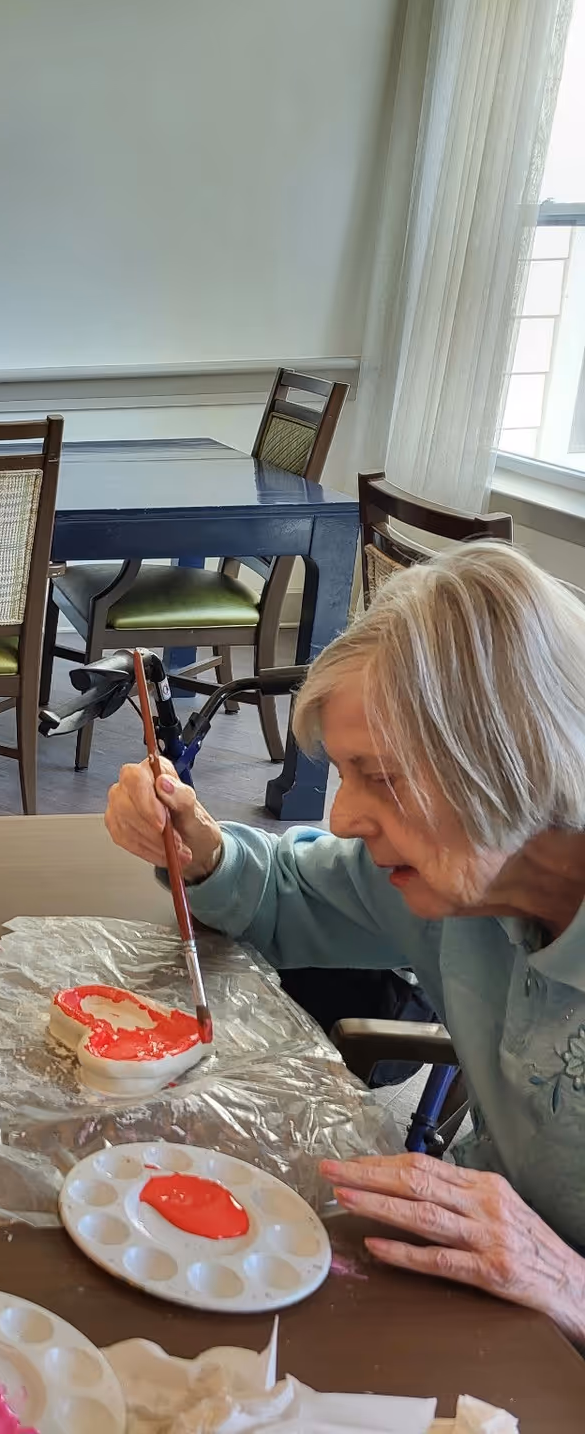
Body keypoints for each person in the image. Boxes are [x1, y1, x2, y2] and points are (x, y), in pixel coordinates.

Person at [104, 540, 585, 1340]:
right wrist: (203, 849)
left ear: (519, 762)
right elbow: (289, 891)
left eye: (384, 778)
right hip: (470, 1287)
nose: (343, 819)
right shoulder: (457, 882)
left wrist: (568, 1279)